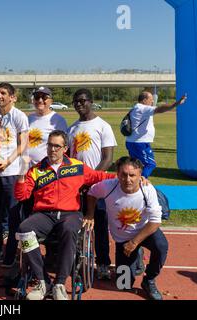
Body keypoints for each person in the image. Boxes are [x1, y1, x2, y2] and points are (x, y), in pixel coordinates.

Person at [15, 130, 116, 300]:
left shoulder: (77, 166)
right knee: (24, 229)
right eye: (49, 145)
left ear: (65, 148)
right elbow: (21, 196)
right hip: (44, 215)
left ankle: (60, 283)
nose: (52, 149)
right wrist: (21, 173)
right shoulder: (36, 170)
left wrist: (130, 178)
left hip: (70, 214)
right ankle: (43, 281)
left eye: (56, 146)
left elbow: (100, 176)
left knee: (70, 230)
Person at [86, 156, 168, 300]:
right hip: (123, 239)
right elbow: (92, 193)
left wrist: (134, 242)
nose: (128, 179)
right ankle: (135, 255)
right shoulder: (107, 186)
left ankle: (149, 280)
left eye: (132, 175)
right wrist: (90, 214)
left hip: (145, 231)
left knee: (161, 246)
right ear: (117, 174)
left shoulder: (148, 189)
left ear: (140, 175)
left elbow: (155, 222)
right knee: (123, 285)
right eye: (123, 174)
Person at [67, 88, 117, 280]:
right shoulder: (72, 129)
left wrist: (92, 180)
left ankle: (103, 263)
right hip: (77, 186)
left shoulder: (103, 126)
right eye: (76, 102)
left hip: (98, 186)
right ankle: (79, 261)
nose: (79, 105)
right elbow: (70, 159)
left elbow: (108, 158)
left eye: (82, 101)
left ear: (91, 101)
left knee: (100, 226)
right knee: (77, 225)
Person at [0, 82, 29, 268]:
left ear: (13, 97)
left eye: (4, 93)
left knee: (13, 215)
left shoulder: (19, 117)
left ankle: (11, 252)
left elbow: (23, 144)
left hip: (11, 172)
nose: (0, 96)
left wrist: (8, 161)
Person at [125, 91, 186, 178]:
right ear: (144, 100)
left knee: (136, 165)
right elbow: (159, 109)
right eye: (151, 100)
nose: (152, 102)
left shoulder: (135, 108)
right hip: (140, 143)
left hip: (131, 141)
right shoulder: (143, 108)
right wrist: (175, 104)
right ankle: (140, 183)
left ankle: (132, 184)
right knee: (150, 164)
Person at [28, 87, 67, 166]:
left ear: (51, 101)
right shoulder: (28, 118)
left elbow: (62, 148)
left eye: (44, 97)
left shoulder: (58, 120)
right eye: (37, 97)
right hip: (28, 169)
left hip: (47, 169)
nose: (40, 100)